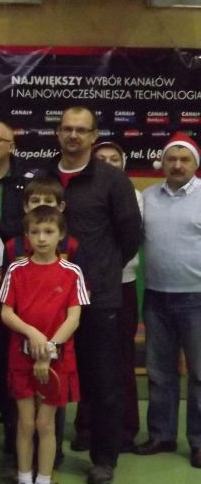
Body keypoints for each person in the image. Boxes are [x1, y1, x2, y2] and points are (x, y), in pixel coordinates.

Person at [38, 106, 142, 484]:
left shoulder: (113, 180)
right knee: (47, 377)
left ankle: (104, 458)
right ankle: (46, 454)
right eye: (67, 128)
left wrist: (102, 270)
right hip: (48, 299)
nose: (73, 136)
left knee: (102, 380)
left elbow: (130, 235)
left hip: (97, 297)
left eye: (82, 130)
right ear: (58, 133)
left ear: (94, 136)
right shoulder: (43, 177)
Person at [0, 205, 87, 484]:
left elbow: (74, 318)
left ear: (61, 235)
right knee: (25, 422)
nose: (41, 238)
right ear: (27, 236)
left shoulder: (72, 272)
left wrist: (48, 348)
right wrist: (32, 334)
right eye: (35, 232)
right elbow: (7, 312)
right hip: (20, 357)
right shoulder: (16, 269)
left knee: (45, 424)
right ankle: (24, 482)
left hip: (56, 360)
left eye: (48, 232)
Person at [135, 133, 201, 467]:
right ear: (162, 162)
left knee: (200, 374)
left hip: (197, 299)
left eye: (184, 159)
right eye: (171, 159)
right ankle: (161, 435)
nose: (177, 165)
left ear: (195, 164)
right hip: (157, 298)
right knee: (160, 373)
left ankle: (199, 442)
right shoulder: (148, 197)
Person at [92, 141, 142, 451]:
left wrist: (111, 268)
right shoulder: (84, 191)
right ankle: (86, 428)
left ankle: (125, 429)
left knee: (121, 359)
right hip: (88, 288)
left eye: (114, 159)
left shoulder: (134, 195)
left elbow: (131, 238)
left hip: (122, 284)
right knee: (89, 360)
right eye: (101, 159)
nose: (108, 164)